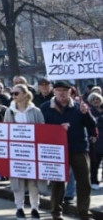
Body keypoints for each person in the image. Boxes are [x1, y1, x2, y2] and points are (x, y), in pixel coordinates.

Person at [41, 80, 96, 220]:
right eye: (59, 91)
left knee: (84, 182)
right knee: (57, 184)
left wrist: (87, 113)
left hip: (78, 148)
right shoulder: (45, 108)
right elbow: (40, 130)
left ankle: (84, 213)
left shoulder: (79, 107)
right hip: (56, 151)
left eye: (65, 91)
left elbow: (91, 125)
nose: (62, 94)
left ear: (70, 92)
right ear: (54, 92)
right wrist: (59, 129)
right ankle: (56, 213)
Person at [5, 83, 44, 219]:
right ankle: (19, 207)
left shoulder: (36, 111)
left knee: (33, 181)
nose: (14, 96)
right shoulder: (9, 111)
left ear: (25, 95)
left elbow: (42, 129)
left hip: (32, 151)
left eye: (16, 93)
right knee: (18, 180)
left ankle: (35, 208)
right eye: (12, 94)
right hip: (16, 152)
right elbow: (5, 131)